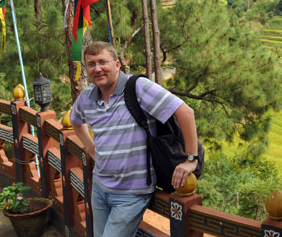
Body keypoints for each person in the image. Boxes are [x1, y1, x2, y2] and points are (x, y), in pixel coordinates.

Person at [70, 41, 199, 237]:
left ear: (117, 64)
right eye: (91, 64)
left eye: (103, 62)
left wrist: (191, 160)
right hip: (99, 187)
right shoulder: (87, 97)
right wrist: (91, 148)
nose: (97, 69)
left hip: (131, 192)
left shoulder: (138, 87)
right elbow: (75, 121)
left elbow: (186, 113)